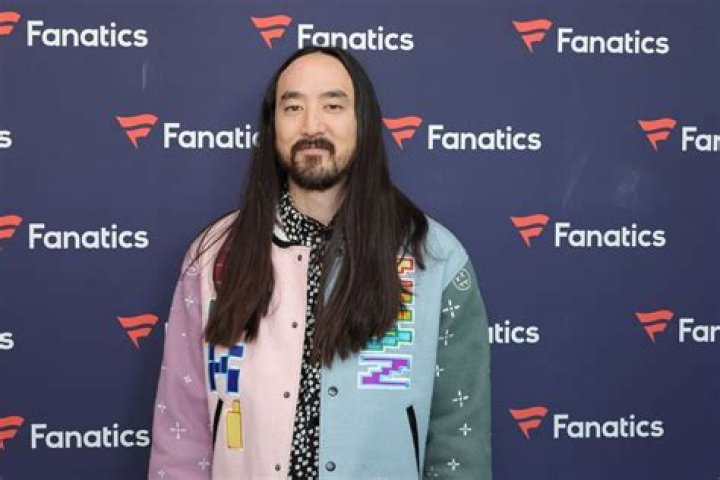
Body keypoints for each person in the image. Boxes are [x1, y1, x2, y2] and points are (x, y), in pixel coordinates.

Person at [148, 46, 491, 480]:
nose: (312, 125)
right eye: (293, 107)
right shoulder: (215, 256)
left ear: (362, 122)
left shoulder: (433, 258)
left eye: (333, 105)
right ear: (273, 126)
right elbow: (182, 432)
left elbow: (458, 437)